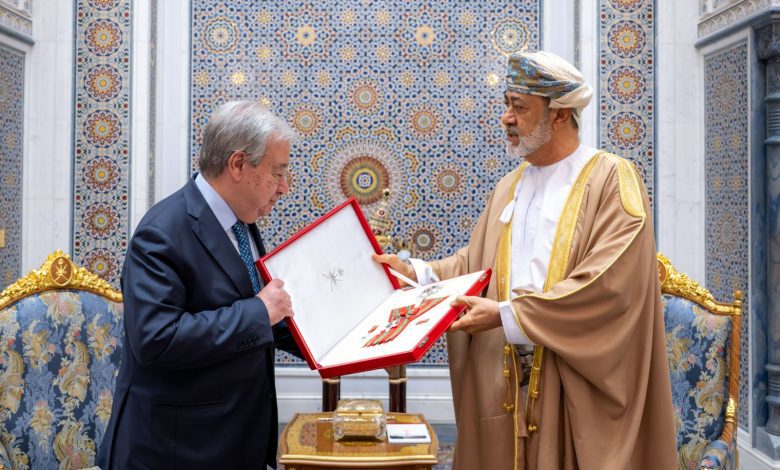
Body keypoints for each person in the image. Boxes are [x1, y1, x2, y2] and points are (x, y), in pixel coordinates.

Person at [375, 51, 677, 469]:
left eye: (518, 107)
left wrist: (508, 315)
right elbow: (475, 265)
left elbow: (609, 284)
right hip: (503, 379)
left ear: (559, 114)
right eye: (507, 105)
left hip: (568, 382)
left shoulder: (611, 178)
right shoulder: (510, 185)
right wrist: (416, 272)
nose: (506, 118)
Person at [98, 101, 301, 469]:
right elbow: (156, 340)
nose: (284, 187)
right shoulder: (161, 232)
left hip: (231, 442)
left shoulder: (242, 223)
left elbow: (261, 316)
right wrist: (259, 311)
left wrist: (340, 343)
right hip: (175, 451)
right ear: (238, 164)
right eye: (277, 172)